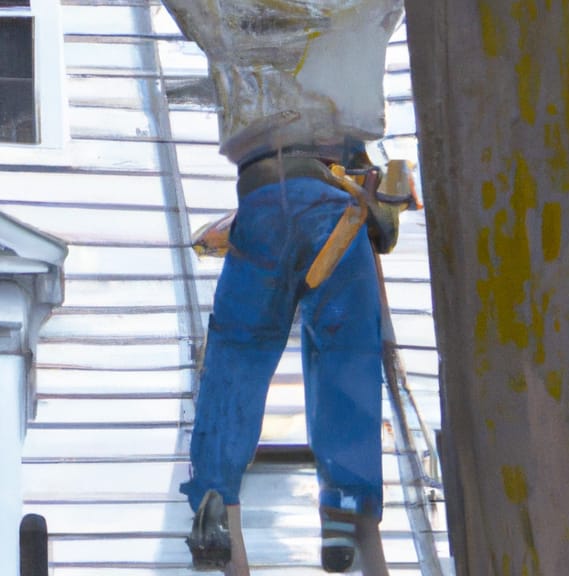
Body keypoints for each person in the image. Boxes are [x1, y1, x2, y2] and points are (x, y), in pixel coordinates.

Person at [160, 1, 405, 574]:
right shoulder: (352, 13)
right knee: (346, 351)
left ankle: (216, 500)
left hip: (262, 203)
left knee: (235, 357)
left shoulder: (231, 16)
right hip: (331, 201)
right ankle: (345, 505)